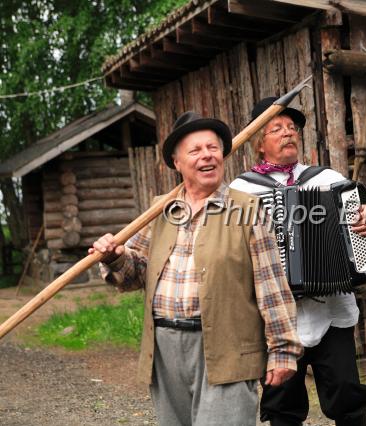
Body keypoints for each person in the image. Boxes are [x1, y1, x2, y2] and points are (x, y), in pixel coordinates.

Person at [91, 111, 303, 426]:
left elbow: (271, 285)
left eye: (213, 148)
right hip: (165, 348)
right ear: (177, 162)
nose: (207, 156)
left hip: (227, 346)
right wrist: (114, 258)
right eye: (195, 150)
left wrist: (283, 349)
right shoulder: (160, 210)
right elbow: (135, 275)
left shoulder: (247, 210)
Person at [229, 97, 366, 426]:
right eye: (277, 128)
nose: (288, 133)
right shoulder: (241, 190)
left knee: (346, 395)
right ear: (259, 143)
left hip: (332, 312)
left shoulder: (324, 178)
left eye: (292, 128)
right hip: (276, 320)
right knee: (282, 404)